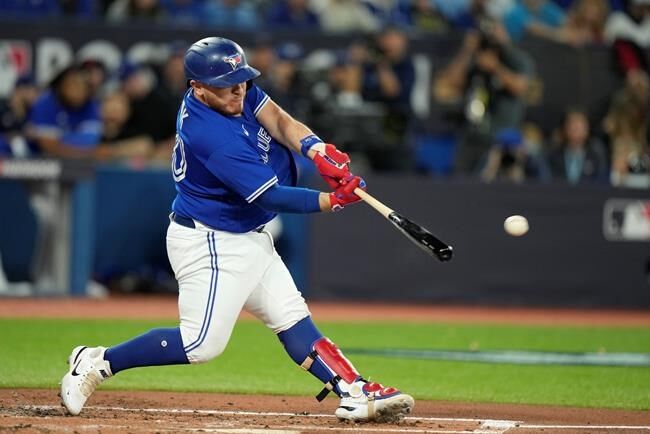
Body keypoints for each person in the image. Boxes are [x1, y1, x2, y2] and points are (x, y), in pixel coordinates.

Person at [59, 36, 414, 423]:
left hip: (247, 235)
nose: (239, 90)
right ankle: (96, 362)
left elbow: (278, 119)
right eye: (228, 85)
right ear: (198, 88)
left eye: (242, 80)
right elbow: (271, 197)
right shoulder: (211, 136)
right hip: (211, 241)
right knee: (200, 344)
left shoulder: (232, 88)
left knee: (292, 317)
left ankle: (353, 390)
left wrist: (315, 148)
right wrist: (331, 200)